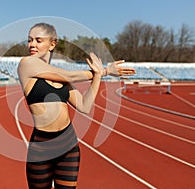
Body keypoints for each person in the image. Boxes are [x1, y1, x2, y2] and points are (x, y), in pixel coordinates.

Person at [17, 22, 136, 189]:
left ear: (52, 44)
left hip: (68, 145)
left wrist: (98, 77)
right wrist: (104, 71)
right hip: (42, 147)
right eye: (29, 40)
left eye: (38, 40)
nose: (32, 45)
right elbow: (71, 76)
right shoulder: (26, 64)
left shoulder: (61, 78)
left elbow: (84, 106)